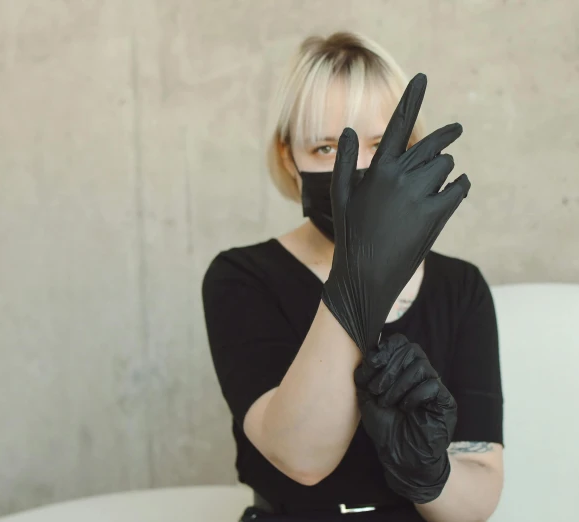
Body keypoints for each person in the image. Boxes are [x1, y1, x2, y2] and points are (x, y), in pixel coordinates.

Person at [202, 31, 504, 522]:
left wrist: (430, 475)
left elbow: (479, 496)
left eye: (382, 145)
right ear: (288, 158)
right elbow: (301, 459)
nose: (361, 169)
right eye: (327, 149)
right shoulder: (241, 278)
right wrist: (361, 280)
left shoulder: (460, 287)